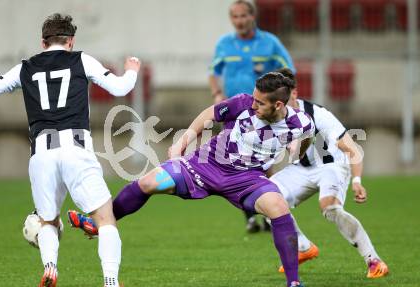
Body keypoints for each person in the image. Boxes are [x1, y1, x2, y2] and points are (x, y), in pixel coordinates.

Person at [69, 72, 315, 287]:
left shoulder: (301, 122)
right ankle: (99, 223)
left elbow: (306, 138)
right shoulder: (242, 103)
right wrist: (183, 140)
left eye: (260, 103)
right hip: (205, 165)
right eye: (253, 98)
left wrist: (298, 151)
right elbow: (210, 113)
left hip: (247, 179)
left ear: (279, 104)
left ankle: (293, 281)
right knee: (147, 183)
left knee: (279, 208)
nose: (253, 104)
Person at [0, 13, 141, 287]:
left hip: (41, 153)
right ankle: (111, 281)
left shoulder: (25, 67)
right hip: (75, 147)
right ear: (70, 41)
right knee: (105, 218)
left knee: (47, 221)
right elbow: (120, 87)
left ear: (43, 42)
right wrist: (132, 69)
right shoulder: (81, 59)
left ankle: (51, 268)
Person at [270, 68, 389, 278]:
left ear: (294, 93)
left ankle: (374, 261)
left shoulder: (318, 114)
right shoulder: (272, 117)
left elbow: (352, 149)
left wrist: (357, 180)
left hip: (332, 165)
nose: (276, 104)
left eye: (281, 97)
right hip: (302, 168)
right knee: (266, 195)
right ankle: (303, 247)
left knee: (330, 207)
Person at [209, 0, 296, 233]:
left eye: (242, 16)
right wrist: (217, 94)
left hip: (263, 114)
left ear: (252, 16)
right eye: (235, 17)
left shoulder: (270, 43)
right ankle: (250, 216)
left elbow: (289, 71)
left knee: (265, 164)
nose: (239, 21)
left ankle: (268, 212)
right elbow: (214, 72)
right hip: (235, 113)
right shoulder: (224, 44)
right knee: (236, 162)